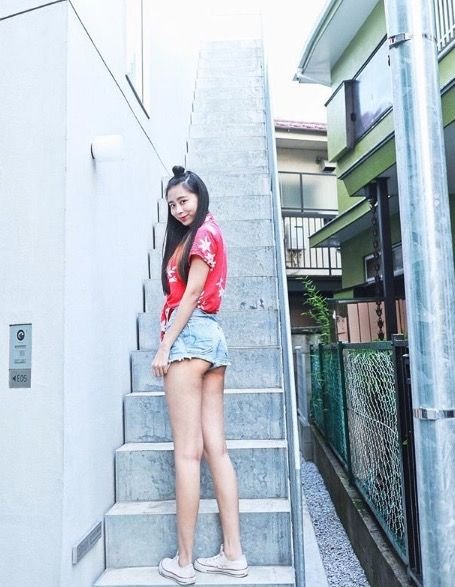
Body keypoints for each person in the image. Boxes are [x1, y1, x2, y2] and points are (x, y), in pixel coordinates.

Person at [152, 166, 248, 585]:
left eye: (184, 201)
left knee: (188, 453)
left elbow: (191, 294)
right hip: (212, 340)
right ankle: (233, 554)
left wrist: (164, 346)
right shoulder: (206, 232)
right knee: (216, 450)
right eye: (172, 204)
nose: (178, 210)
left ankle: (185, 562)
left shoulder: (202, 234)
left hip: (189, 337)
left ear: (200, 196)